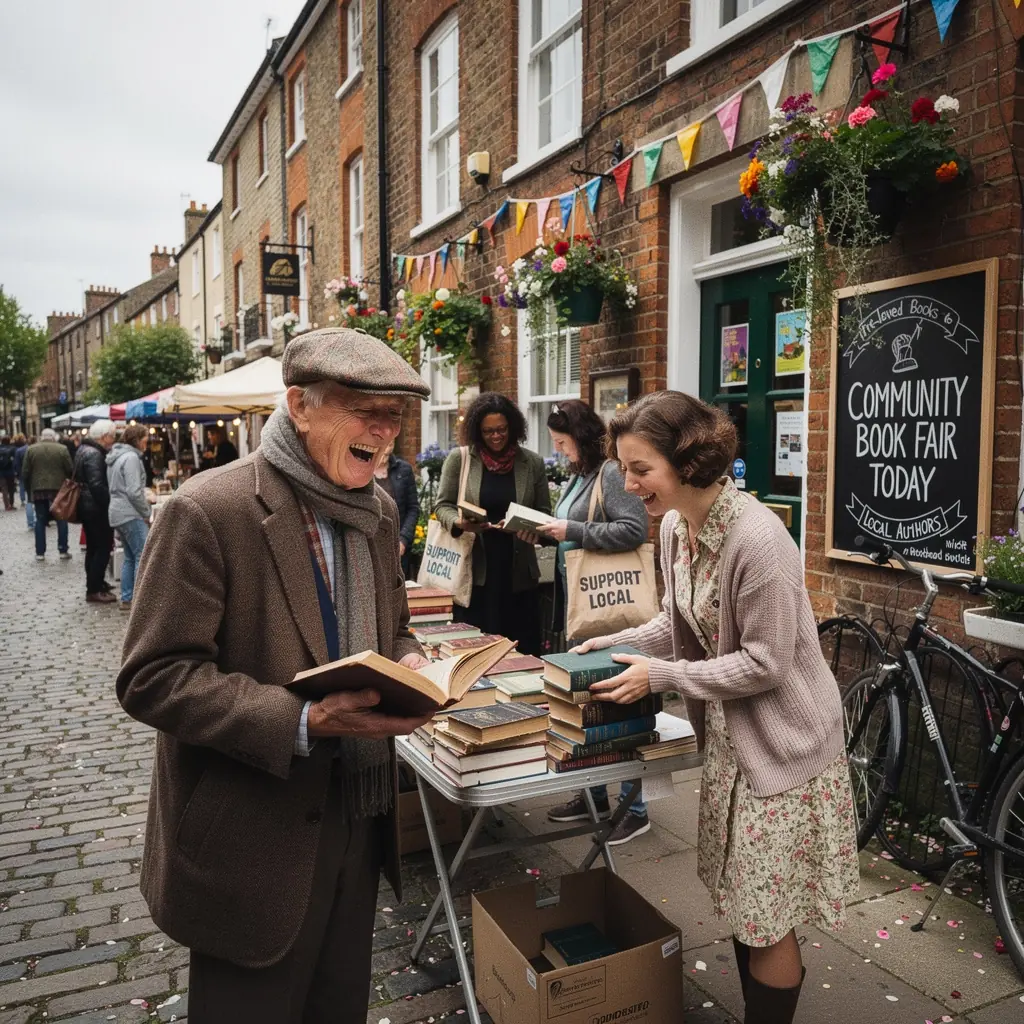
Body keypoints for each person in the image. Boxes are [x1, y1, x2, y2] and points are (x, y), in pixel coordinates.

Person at [116, 327, 434, 1023]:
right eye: (366, 411)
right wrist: (305, 719)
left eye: (396, 416)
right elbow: (153, 676)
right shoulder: (211, 509)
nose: (385, 434)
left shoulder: (377, 513)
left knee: (336, 1006)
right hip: (249, 835)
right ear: (299, 404)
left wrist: (410, 658)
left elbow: (394, 623)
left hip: (358, 811)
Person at [574, 391, 857, 1024]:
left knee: (766, 919)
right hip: (735, 743)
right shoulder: (678, 528)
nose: (628, 483)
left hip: (785, 751)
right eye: (623, 467)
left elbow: (766, 663)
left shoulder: (759, 543)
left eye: (640, 468)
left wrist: (662, 675)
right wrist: (615, 644)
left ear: (689, 461)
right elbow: (678, 625)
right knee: (746, 902)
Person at [538, 400, 651, 844]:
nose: (560, 451)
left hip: (609, 601)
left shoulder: (608, 473)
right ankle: (593, 796)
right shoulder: (582, 474)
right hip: (579, 601)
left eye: (563, 442)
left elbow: (634, 529)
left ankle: (633, 807)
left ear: (580, 438)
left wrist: (572, 532)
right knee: (585, 697)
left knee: (616, 697)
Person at [433, 392, 550, 655]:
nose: (496, 436)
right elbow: (442, 506)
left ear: (513, 427)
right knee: (476, 652)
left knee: (522, 653)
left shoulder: (531, 462)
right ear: (477, 431)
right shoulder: (460, 459)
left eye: (501, 430)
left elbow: (544, 512)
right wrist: (460, 523)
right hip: (475, 576)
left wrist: (533, 530)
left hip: (519, 576)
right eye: (488, 432)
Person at [107, 424, 156, 611]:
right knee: (142, 556)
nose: (147, 442)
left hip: (118, 511)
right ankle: (139, 601)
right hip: (130, 512)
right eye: (145, 438)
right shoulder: (131, 458)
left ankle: (128, 598)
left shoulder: (117, 456)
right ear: (137, 439)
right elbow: (134, 491)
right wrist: (146, 513)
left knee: (130, 557)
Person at [75, 419, 117, 604]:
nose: (113, 440)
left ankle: (95, 583)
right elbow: (97, 485)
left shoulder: (84, 449)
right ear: (104, 436)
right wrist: (110, 503)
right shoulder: (94, 454)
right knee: (102, 547)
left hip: (87, 506)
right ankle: (94, 589)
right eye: (112, 436)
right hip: (95, 507)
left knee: (93, 547)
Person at [21, 428, 72, 561]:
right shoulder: (62, 449)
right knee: (61, 518)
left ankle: (40, 552)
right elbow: (70, 469)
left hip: (38, 489)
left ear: (41, 437)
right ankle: (63, 550)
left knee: (40, 519)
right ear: (53, 437)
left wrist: (28, 489)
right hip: (58, 489)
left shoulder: (31, 449)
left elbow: (25, 472)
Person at [374, 441, 419, 577]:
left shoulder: (403, 470)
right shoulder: (362, 472)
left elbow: (413, 509)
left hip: (398, 549)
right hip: (371, 547)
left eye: (390, 444)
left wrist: (403, 540)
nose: (386, 450)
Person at [13, 434, 35, 530]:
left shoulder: (19, 450)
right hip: (37, 477)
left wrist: (18, 473)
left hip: (24, 474)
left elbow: (17, 464)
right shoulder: (37, 450)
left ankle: (30, 522)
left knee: (29, 498)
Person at [0, 435, 16, 511]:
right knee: (11, 488)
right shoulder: (12, 449)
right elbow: (15, 461)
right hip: (10, 471)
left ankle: (7, 505)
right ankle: (11, 503)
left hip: (1, 473)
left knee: (4, 489)